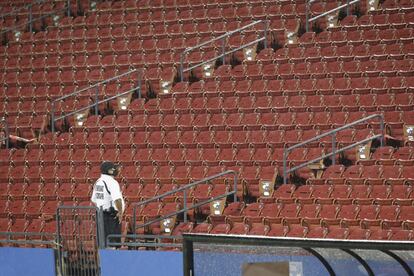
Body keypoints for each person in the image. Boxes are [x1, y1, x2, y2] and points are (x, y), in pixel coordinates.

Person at [91, 161, 124, 248]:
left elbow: (94, 200)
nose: (117, 170)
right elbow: (117, 199)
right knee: (112, 243)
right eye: (114, 168)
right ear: (109, 171)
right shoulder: (112, 182)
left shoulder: (98, 181)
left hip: (100, 215)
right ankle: (111, 261)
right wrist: (120, 212)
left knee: (102, 243)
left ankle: (103, 261)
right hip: (110, 216)